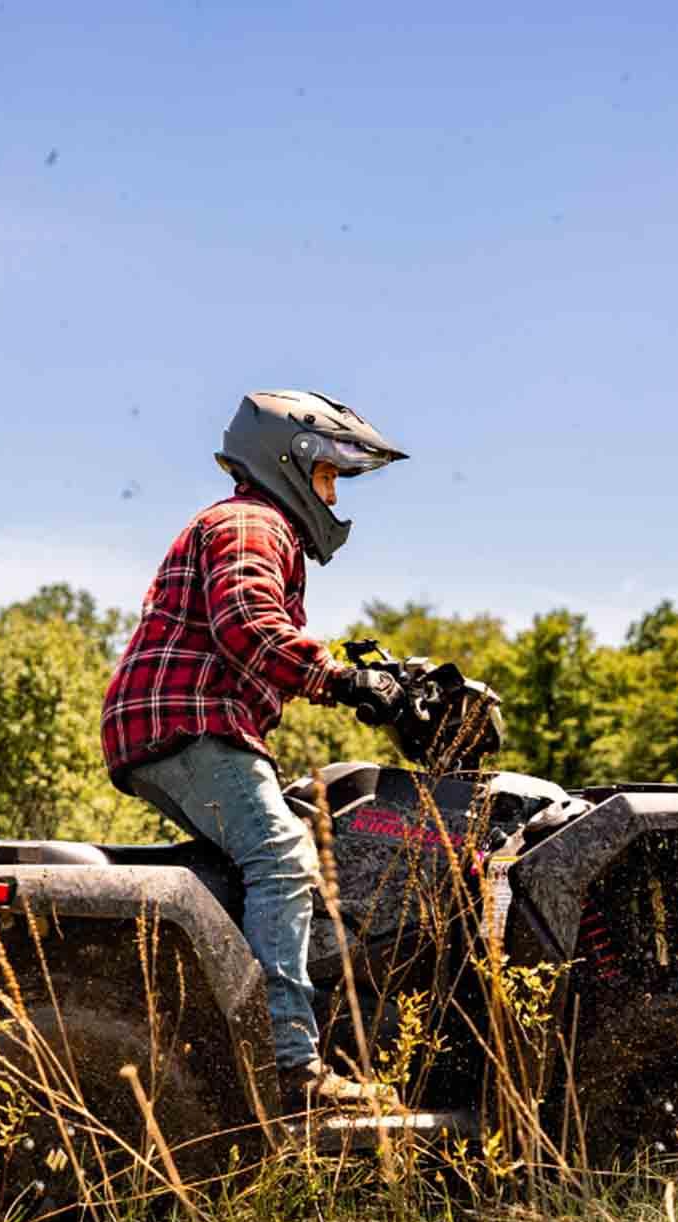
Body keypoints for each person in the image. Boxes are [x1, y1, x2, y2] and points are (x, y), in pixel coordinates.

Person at [101, 389, 411, 1109]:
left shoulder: (249, 524)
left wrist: (362, 675)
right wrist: (341, 678)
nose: (333, 495)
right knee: (281, 855)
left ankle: (241, 1016)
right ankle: (290, 1064)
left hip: (172, 721)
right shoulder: (252, 521)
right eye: (331, 475)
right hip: (189, 720)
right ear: (293, 461)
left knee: (276, 843)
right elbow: (250, 623)